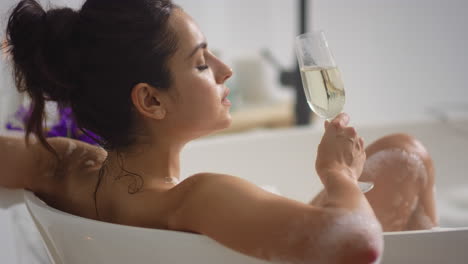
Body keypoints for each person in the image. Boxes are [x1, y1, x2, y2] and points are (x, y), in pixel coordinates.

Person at [0, 0, 437, 263]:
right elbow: (356, 247)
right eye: (202, 63)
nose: (225, 72)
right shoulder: (196, 198)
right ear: (151, 100)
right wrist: (337, 171)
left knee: (402, 151)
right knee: (409, 163)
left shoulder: (62, 166)